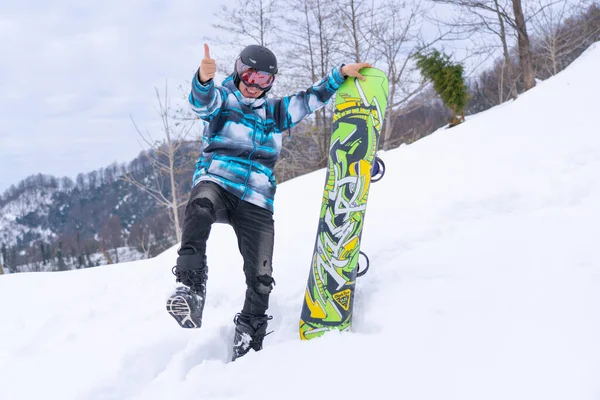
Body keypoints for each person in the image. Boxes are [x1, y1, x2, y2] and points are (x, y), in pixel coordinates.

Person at [166, 42, 371, 360]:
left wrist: (339, 75)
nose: (254, 85)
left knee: (261, 277)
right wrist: (203, 79)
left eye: (264, 80)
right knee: (200, 205)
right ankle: (191, 289)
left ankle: (249, 339)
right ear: (237, 72)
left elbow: (309, 99)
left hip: (256, 201)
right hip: (218, 183)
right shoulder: (222, 102)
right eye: (250, 76)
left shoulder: (275, 113)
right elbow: (201, 103)